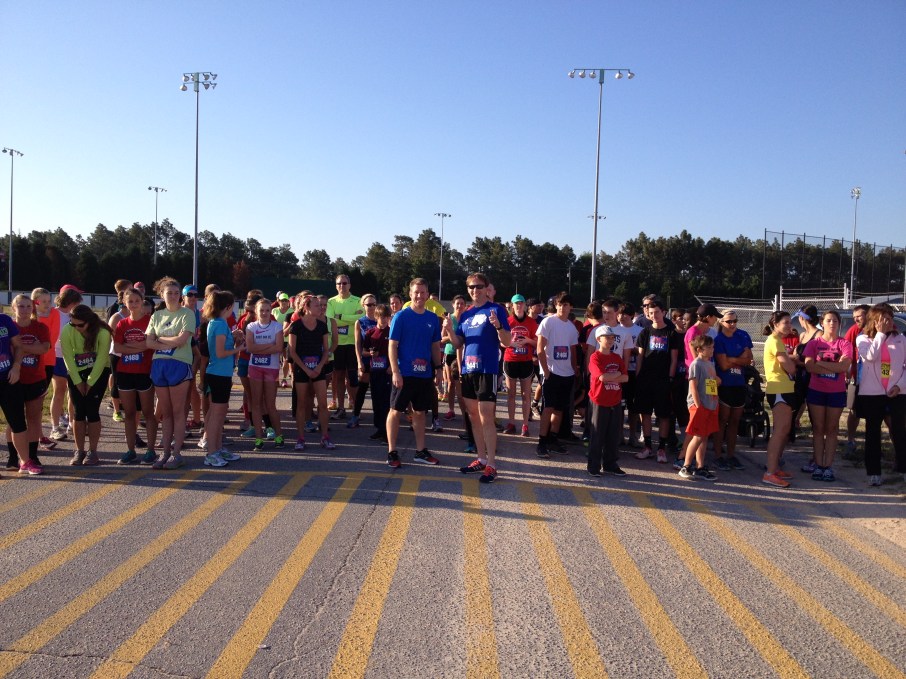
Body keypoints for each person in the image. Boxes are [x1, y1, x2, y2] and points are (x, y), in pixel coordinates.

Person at [448, 273, 511, 483]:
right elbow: (458, 343)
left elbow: (507, 341)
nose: (475, 290)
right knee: (473, 416)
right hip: (468, 370)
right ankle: (481, 459)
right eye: (471, 287)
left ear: (486, 288)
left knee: (486, 416)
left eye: (479, 286)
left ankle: (492, 464)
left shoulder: (496, 310)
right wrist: (449, 331)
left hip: (487, 369)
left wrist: (498, 326)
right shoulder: (466, 314)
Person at [386, 278, 443, 469]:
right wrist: (395, 371)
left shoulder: (432, 318)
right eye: (416, 292)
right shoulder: (401, 317)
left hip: (424, 374)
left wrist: (438, 368)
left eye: (423, 292)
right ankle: (392, 452)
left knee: (420, 412)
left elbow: (435, 346)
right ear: (410, 294)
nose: (419, 295)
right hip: (404, 373)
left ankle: (420, 451)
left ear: (427, 294)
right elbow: (392, 346)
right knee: (395, 412)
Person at [145, 277, 196, 470]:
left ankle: (176, 454)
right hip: (159, 365)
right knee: (165, 413)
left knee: (178, 411)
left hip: (179, 364)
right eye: (169, 293)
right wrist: (167, 340)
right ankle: (165, 453)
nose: (173, 296)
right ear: (162, 295)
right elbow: (148, 342)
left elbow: (181, 341)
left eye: (176, 293)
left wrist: (160, 338)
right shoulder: (157, 315)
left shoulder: (187, 314)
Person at [856, 303, 906, 486]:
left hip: (897, 392)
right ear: (874, 321)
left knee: (899, 430)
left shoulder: (901, 339)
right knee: (873, 433)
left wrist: (899, 385)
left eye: (890, 318)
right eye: (883, 319)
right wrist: (880, 335)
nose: (888, 322)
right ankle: (874, 472)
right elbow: (870, 356)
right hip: (872, 394)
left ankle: (903, 467)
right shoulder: (863, 339)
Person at [803, 310, 853, 482]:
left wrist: (821, 363)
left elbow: (843, 367)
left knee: (831, 429)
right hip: (816, 390)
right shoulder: (814, 344)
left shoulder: (844, 344)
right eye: (829, 320)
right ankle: (818, 465)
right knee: (818, 428)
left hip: (836, 392)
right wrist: (833, 366)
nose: (832, 324)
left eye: (835, 321)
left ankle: (828, 466)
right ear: (822, 323)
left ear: (839, 324)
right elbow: (809, 367)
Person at [61, 304, 112, 466]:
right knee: (78, 411)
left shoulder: (103, 333)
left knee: (92, 410)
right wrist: (77, 381)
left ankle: (93, 451)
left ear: (89, 322)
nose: (76, 328)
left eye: (80, 325)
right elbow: (67, 357)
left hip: (98, 371)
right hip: (76, 371)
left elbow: (102, 359)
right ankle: (79, 450)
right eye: (73, 324)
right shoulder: (67, 330)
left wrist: (90, 382)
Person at [112, 288, 158, 465]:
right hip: (125, 372)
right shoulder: (122, 324)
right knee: (129, 413)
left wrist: (131, 346)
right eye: (130, 301)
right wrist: (139, 346)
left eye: (136, 301)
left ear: (142, 301)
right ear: (124, 303)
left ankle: (151, 450)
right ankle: (130, 450)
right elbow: (117, 348)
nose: (133, 304)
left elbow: (150, 344)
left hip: (145, 372)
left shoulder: (150, 321)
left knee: (147, 412)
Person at [6, 295, 50, 473]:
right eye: (21, 306)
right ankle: (13, 457)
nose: (25, 310)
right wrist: (31, 348)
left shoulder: (40, 327)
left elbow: (44, 348)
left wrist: (19, 348)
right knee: (14, 420)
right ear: (13, 308)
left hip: (35, 378)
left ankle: (32, 456)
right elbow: (7, 350)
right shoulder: (9, 326)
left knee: (33, 418)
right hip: (12, 378)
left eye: (28, 306)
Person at [535, 292, 579, 459]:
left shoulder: (571, 327)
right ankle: (542, 442)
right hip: (551, 373)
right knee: (548, 408)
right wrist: (546, 371)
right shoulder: (548, 322)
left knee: (559, 410)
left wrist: (575, 369)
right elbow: (540, 348)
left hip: (567, 374)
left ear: (570, 307)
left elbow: (573, 350)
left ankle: (553, 439)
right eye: (559, 304)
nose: (562, 307)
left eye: (565, 305)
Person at [287, 295, 334, 450]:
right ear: (306, 307)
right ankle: (300, 438)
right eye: (316, 305)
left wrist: (319, 367)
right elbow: (292, 351)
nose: (320, 308)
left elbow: (326, 350)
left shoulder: (322, 326)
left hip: (318, 368)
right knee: (301, 404)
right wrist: (306, 369)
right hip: (301, 369)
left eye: (321, 305)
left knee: (323, 404)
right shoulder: (296, 326)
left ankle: (325, 437)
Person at [202, 290, 244, 467]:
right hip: (218, 374)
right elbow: (220, 353)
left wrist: (232, 337)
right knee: (217, 416)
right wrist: (239, 348)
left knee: (217, 414)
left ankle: (217, 449)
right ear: (227, 307)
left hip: (220, 373)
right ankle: (211, 453)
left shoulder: (218, 323)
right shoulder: (219, 324)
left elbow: (220, 346)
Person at [634, 297, 675, 462]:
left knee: (664, 415)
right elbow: (640, 356)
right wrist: (638, 376)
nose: (654, 315)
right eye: (651, 313)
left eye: (657, 312)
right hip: (646, 379)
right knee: (645, 413)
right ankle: (647, 447)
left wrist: (670, 378)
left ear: (663, 312)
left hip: (663, 380)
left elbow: (674, 359)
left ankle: (662, 449)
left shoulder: (671, 333)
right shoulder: (645, 332)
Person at [761, 311, 798, 488]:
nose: (789, 326)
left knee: (784, 430)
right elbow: (790, 368)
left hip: (785, 388)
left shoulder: (779, 341)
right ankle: (769, 473)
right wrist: (793, 362)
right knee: (779, 431)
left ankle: (774, 468)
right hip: (778, 389)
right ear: (775, 324)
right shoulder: (774, 341)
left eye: (790, 322)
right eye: (785, 322)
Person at [713, 309, 753, 471]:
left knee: (735, 422)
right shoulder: (718, 340)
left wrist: (732, 359)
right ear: (721, 322)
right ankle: (718, 455)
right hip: (724, 385)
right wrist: (739, 359)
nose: (732, 324)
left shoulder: (742, 336)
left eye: (735, 321)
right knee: (722, 421)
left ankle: (731, 455)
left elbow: (749, 359)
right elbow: (723, 365)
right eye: (729, 321)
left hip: (739, 384)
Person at [587, 324, 628, 477]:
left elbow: (626, 377)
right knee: (597, 434)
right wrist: (616, 374)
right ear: (599, 339)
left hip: (615, 400)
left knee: (613, 435)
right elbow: (602, 377)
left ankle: (610, 464)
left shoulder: (617, 357)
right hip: (599, 400)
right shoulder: (595, 357)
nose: (611, 340)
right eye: (607, 338)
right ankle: (593, 465)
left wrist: (613, 376)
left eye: (612, 338)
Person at [245, 298, 285, 450]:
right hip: (255, 367)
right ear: (256, 311)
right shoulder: (251, 326)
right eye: (261, 310)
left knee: (270, 404)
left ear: (271, 311)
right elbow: (250, 348)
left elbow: (279, 348)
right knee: (256, 403)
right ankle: (259, 439)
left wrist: (259, 347)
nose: (264, 313)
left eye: (267, 310)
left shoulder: (276, 326)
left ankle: (279, 436)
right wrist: (269, 345)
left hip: (271, 368)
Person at [678, 335, 720, 481]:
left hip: (710, 404)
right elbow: (693, 386)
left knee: (704, 436)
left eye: (712, 347)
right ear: (699, 349)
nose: (712, 350)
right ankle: (686, 465)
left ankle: (700, 467)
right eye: (709, 347)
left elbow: (711, 384)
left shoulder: (710, 364)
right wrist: (698, 405)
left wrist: (714, 401)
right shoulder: (696, 364)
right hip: (699, 405)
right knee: (697, 436)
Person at [49, 285, 83, 441]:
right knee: (59, 392)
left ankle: (71, 423)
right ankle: (55, 427)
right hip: (56, 357)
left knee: (73, 392)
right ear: (71, 301)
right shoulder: (54, 313)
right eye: (77, 302)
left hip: (72, 357)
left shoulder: (73, 315)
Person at [326, 273, 363, 418]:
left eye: (344, 283)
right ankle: (341, 408)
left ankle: (356, 409)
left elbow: (360, 318)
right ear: (336, 286)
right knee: (339, 377)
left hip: (353, 343)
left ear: (349, 285)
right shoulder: (331, 302)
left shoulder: (358, 301)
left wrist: (340, 317)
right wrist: (350, 319)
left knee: (353, 378)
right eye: (339, 283)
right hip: (337, 344)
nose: (342, 286)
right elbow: (331, 320)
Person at [503, 294, 537, 437]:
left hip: (526, 361)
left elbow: (537, 342)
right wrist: (511, 343)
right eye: (516, 303)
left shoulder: (531, 322)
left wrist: (527, 340)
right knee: (511, 394)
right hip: (511, 360)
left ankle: (525, 425)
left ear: (525, 305)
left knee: (525, 394)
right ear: (512, 305)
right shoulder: (507, 321)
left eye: (521, 303)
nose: (519, 305)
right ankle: (511, 423)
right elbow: (501, 341)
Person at [31, 287, 59, 451]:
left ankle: (39, 435)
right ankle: (36, 436)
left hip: (47, 362)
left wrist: (35, 347)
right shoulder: (29, 316)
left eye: (49, 301)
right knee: (30, 402)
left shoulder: (54, 313)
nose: (48, 304)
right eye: (44, 301)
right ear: (35, 302)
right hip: (29, 362)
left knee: (39, 400)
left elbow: (50, 341)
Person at [843, 304, 869, 458]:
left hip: (878, 380)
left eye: (859, 316)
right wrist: (847, 371)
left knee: (880, 414)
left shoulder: (882, 331)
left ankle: (874, 444)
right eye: (854, 317)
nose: (856, 320)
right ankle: (850, 440)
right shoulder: (854, 330)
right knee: (854, 409)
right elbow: (846, 350)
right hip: (856, 377)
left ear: (868, 315)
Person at [364, 304, 392, 442]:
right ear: (376, 317)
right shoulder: (370, 333)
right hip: (374, 370)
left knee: (386, 401)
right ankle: (379, 428)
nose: (383, 319)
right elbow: (363, 350)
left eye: (386, 316)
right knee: (376, 401)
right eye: (381, 316)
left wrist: (392, 366)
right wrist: (369, 353)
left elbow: (397, 350)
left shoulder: (391, 331)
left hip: (387, 371)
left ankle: (387, 431)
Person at [350, 293, 378, 429]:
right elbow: (357, 344)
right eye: (368, 305)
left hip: (380, 361)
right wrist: (359, 362)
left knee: (378, 390)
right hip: (366, 360)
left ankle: (379, 419)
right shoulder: (360, 322)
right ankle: (355, 416)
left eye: (374, 304)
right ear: (363, 306)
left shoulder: (382, 320)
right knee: (362, 388)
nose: (371, 307)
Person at [272, 292, 294, 388]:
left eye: (285, 300)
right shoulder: (274, 311)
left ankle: (284, 379)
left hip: (287, 339)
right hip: (276, 339)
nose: (284, 302)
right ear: (278, 301)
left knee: (286, 360)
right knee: (275, 360)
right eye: (282, 300)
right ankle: (276, 379)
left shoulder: (292, 311)